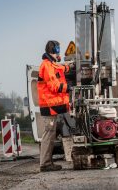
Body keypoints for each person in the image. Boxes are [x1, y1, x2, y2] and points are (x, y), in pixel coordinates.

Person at [37, 40, 72, 172]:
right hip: (49, 106)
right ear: (55, 49)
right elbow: (54, 86)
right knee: (49, 134)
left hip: (52, 106)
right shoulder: (46, 66)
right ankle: (45, 164)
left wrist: (70, 66)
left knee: (51, 133)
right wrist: (68, 87)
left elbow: (60, 68)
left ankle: (47, 162)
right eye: (59, 49)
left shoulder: (51, 64)